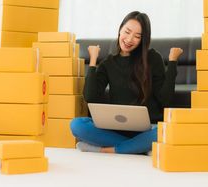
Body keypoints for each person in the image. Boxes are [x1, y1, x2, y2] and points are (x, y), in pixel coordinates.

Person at [70, 11, 183, 154]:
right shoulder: (108, 63)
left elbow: (166, 100)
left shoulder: (153, 58)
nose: (129, 39)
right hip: (116, 130)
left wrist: (172, 62)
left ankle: (107, 149)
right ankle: (138, 148)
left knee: (163, 131)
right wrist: (93, 60)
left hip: (146, 130)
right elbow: (90, 96)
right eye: (127, 32)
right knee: (77, 125)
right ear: (120, 30)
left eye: (137, 36)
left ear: (143, 40)